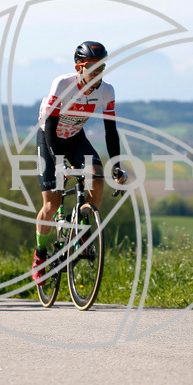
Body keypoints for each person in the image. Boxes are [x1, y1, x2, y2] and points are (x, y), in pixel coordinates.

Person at [31, 41, 125, 281]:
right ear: (79, 67)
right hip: (49, 138)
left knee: (97, 175)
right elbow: (50, 125)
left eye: (102, 67)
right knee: (51, 205)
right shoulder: (62, 84)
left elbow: (110, 131)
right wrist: (58, 162)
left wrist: (116, 165)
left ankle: (83, 229)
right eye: (92, 67)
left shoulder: (107, 91)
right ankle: (40, 253)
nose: (97, 73)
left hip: (74, 138)